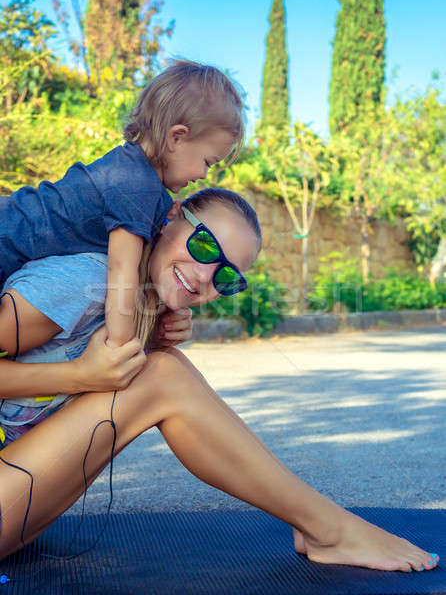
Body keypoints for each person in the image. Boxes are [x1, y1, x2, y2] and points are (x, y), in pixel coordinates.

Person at [0, 188, 439, 573]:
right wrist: (79, 376)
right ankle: (328, 528)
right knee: (163, 377)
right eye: (205, 245)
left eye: (227, 275)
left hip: (19, 509)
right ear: (169, 218)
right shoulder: (80, 282)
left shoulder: (127, 307)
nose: (207, 275)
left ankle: (322, 525)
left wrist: (146, 338)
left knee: (162, 369)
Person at [0, 60, 243, 351]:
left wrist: (172, 313)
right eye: (207, 162)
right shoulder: (134, 182)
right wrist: (120, 346)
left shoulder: (146, 186)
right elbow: (122, 270)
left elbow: (150, 263)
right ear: (177, 138)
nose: (204, 175)